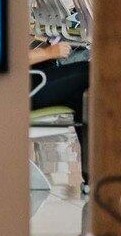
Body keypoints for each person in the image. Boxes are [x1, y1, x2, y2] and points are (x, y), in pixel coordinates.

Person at [30, 40, 89, 184]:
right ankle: (95, 174)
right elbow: (13, 59)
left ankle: (93, 173)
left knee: (80, 97)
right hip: (21, 91)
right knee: (90, 71)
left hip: (28, 80)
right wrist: (48, 52)